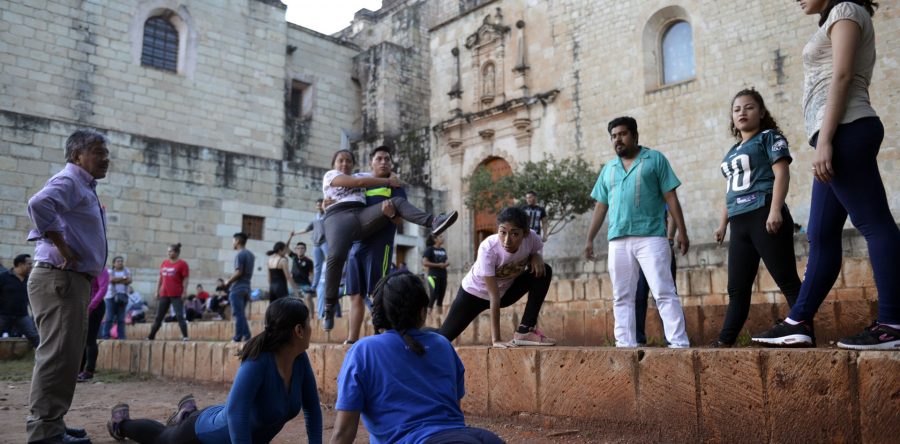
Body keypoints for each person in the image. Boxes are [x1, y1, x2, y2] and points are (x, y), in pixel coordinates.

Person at [753, 0, 899, 350]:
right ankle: (798, 321)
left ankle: (893, 323)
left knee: (873, 223)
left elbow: (843, 74)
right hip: (834, 134)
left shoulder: (846, 9)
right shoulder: (836, 16)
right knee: (820, 233)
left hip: (846, 130)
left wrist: (827, 139)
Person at [107, 298, 323, 443]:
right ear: (298, 331)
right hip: (205, 434)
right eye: (309, 323)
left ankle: (187, 412)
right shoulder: (258, 362)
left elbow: (312, 409)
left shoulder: (299, 360)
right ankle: (121, 424)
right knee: (162, 438)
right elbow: (237, 414)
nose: (312, 329)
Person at [331, 272, 503, 444]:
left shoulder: (363, 351)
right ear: (422, 313)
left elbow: (343, 433)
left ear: (380, 312)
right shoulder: (443, 344)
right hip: (477, 438)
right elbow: (452, 410)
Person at [25, 128, 109, 443]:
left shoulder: (82, 185)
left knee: (64, 357)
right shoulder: (70, 181)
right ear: (76, 155)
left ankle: (52, 424)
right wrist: (61, 243)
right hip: (61, 279)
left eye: (106, 152)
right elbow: (39, 204)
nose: (106, 158)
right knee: (58, 357)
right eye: (98, 151)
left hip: (69, 281)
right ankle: (46, 432)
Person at [704, 89, 802, 347]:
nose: (742, 113)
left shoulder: (769, 137)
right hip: (739, 222)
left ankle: (805, 331)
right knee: (737, 288)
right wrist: (723, 223)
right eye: (737, 110)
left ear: (761, 112)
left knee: (787, 280)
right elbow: (731, 189)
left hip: (765, 212)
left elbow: (782, 173)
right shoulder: (732, 152)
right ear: (732, 118)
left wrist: (775, 210)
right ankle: (724, 341)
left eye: (748, 107)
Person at [321, 149, 458, 331]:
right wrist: (388, 180)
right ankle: (329, 307)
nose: (344, 164)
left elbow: (379, 179)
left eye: (348, 161)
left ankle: (434, 221)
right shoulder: (334, 175)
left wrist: (392, 180)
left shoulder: (372, 178)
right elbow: (358, 182)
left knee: (396, 203)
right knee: (336, 259)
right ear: (334, 164)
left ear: (354, 164)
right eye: (340, 161)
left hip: (363, 222)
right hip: (339, 220)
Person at [584, 116, 691, 348]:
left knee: (663, 291)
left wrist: (682, 230)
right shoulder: (608, 169)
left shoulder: (655, 159)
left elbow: (670, 197)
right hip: (618, 240)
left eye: (622, 134)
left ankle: (679, 343)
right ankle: (625, 344)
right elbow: (601, 205)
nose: (617, 140)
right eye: (613, 136)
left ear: (634, 135)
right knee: (622, 296)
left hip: (652, 236)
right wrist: (590, 238)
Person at [438, 206, 556, 347]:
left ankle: (525, 331)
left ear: (525, 233)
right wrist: (496, 339)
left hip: (505, 293)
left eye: (514, 234)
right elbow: (493, 296)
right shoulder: (488, 248)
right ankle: (416, 334)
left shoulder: (532, 239)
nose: (507, 240)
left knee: (544, 271)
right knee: (443, 338)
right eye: (502, 232)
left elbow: (534, 251)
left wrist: (536, 255)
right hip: (473, 294)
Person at [344, 145, 407, 345]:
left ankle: (382, 334)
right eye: (379, 158)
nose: (383, 162)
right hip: (355, 248)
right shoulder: (361, 184)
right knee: (355, 294)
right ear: (371, 162)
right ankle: (351, 340)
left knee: (377, 293)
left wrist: (392, 215)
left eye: (387, 159)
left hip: (380, 247)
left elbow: (400, 222)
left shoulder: (396, 187)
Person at [633, 211, 677, 345]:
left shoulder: (659, 191)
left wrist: (669, 238)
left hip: (659, 245)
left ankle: (673, 339)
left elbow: (672, 212)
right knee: (638, 295)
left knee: (666, 294)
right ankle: (638, 339)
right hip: (638, 249)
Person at [148, 243, 190, 341]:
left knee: (179, 315)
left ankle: (185, 336)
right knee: (159, 316)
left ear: (176, 252)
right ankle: (151, 336)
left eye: (170, 251)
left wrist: (184, 291)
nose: (168, 253)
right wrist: (156, 291)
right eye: (168, 251)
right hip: (164, 294)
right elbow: (160, 278)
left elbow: (186, 279)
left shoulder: (182, 264)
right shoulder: (164, 263)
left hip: (176, 294)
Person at [0, 254, 39, 348]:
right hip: (3, 315)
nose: (31, 266)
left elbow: (32, 298)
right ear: (20, 264)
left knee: (34, 337)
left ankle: (45, 358)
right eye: (29, 264)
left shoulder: (30, 280)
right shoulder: (3, 277)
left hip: (22, 316)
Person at [78, 267, 110, 382]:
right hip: (83, 305)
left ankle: (89, 371)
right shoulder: (85, 267)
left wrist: (91, 306)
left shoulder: (101, 269)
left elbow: (103, 288)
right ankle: (78, 370)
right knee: (81, 339)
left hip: (95, 307)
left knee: (90, 339)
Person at [225, 232, 255, 342]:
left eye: (233, 241)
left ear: (237, 241)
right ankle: (247, 335)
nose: (232, 243)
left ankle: (237, 337)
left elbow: (238, 272)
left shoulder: (240, 254)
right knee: (241, 314)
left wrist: (228, 281)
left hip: (237, 288)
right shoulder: (250, 255)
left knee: (238, 314)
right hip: (247, 288)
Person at [297, 198, 327, 303]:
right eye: (317, 205)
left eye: (320, 205)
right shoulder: (315, 218)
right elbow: (306, 229)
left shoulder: (328, 215)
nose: (319, 206)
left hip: (325, 242)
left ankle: (330, 281)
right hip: (316, 243)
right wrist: (295, 233)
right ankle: (314, 286)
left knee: (329, 261)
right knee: (317, 265)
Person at [103, 256, 131, 340]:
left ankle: (121, 336)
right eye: (118, 261)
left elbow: (129, 280)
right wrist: (123, 278)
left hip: (123, 297)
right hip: (111, 297)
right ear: (114, 263)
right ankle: (106, 336)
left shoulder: (127, 270)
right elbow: (111, 280)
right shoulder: (110, 271)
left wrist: (118, 280)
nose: (120, 263)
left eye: (121, 261)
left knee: (121, 319)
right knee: (109, 318)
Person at [422, 234, 450, 314]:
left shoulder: (443, 250)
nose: (442, 238)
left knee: (441, 297)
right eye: (440, 237)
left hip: (443, 275)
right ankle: (428, 315)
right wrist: (438, 265)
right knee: (433, 294)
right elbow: (425, 262)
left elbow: (446, 260)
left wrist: (447, 264)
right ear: (435, 239)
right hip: (433, 275)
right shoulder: (430, 249)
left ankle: (439, 320)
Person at [287, 240, 315, 308]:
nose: (300, 250)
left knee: (308, 297)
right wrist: (290, 237)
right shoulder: (294, 257)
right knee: (288, 299)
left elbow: (311, 274)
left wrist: (313, 286)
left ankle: (311, 316)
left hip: (305, 284)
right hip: (294, 284)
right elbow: (286, 247)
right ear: (296, 250)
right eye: (298, 248)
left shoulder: (309, 261)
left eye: (302, 248)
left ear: (305, 250)